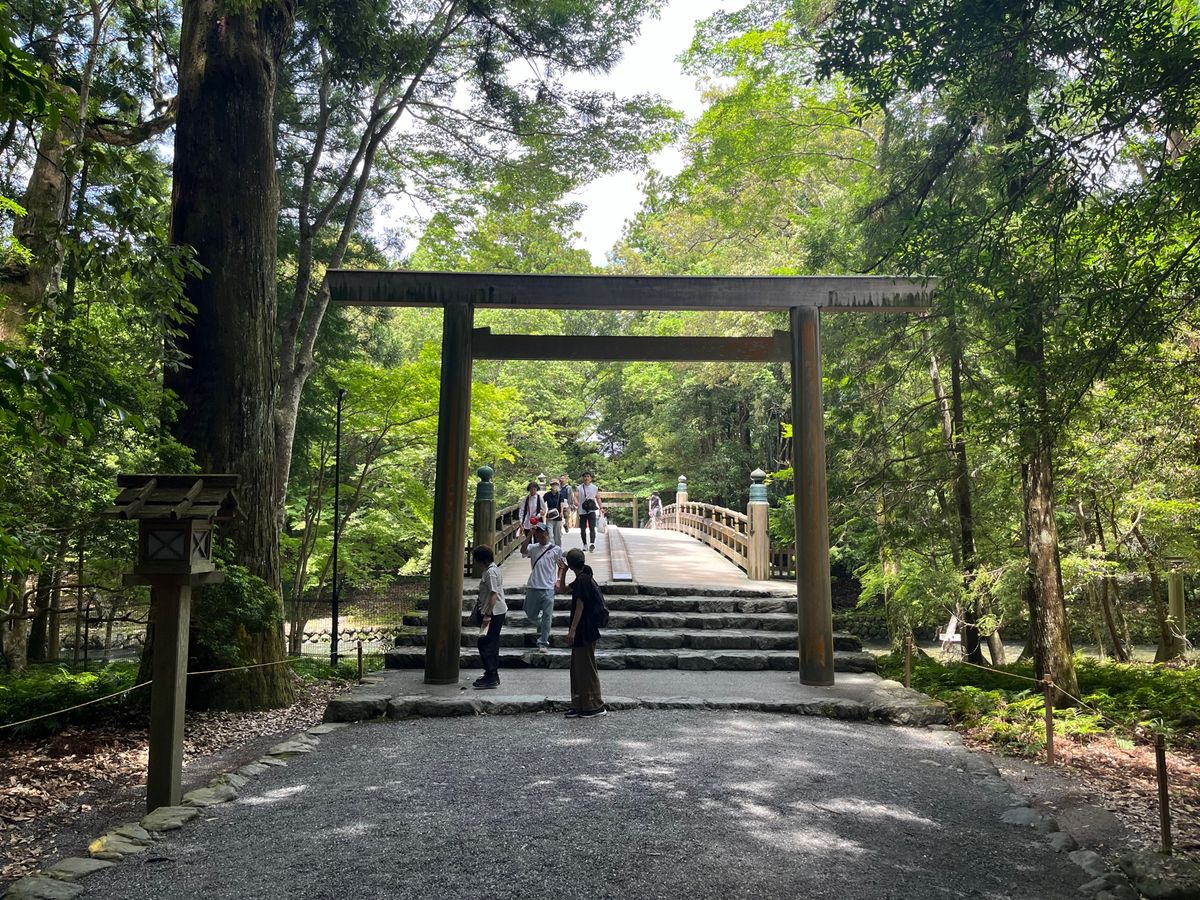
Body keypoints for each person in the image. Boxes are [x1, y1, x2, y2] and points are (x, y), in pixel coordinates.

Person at [557, 547, 607, 718]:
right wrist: (563, 572)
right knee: (578, 668)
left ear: (571, 565)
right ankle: (579, 704)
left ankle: (595, 705)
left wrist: (572, 631)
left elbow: (580, 606)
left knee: (587, 668)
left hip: (585, 629)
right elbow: (562, 590)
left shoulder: (583, 580)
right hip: (583, 629)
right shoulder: (582, 578)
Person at [471, 545, 506, 690]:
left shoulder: (490, 572)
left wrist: (487, 614)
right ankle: (491, 674)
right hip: (496, 611)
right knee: (490, 643)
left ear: (482, 560)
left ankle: (491, 675)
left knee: (485, 643)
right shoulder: (493, 570)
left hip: (493, 612)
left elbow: (493, 594)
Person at [524, 521, 563, 649]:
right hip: (533, 585)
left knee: (547, 616)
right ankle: (543, 624)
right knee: (529, 613)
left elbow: (561, 566)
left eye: (542, 533)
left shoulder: (556, 549)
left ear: (547, 534)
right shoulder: (533, 548)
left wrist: (558, 580)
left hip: (549, 587)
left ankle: (543, 641)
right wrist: (529, 535)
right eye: (538, 534)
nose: (540, 536)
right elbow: (523, 550)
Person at [576, 472, 602, 551]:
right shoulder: (579, 488)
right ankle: (584, 544)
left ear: (591, 478)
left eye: (588, 476)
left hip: (591, 509)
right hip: (582, 510)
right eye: (584, 476)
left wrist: (601, 507)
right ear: (582, 478)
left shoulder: (594, 487)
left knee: (592, 527)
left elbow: (598, 498)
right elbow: (575, 496)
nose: (586, 478)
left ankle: (592, 543)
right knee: (582, 528)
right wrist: (576, 503)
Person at [518, 480, 546, 555]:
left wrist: (538, 516)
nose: (533, 490)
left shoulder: (539, 498)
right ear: (529, 489)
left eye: (534, 489)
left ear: (537, 489)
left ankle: (537, 552)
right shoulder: (526, 499)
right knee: (528, 537)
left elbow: (543, 509)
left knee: (537, 537)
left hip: (537, 520)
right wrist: (521, 521)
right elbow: (522, 510)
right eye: (531, 489)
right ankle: (529, 552)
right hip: (527, 521)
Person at [542, 478, 569, 548]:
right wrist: (542, 511)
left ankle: (558, 548)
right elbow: (542, 503)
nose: (555, 485)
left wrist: (561, 512)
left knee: (557, 535)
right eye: (553, 484)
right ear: (551, 485)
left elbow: (561, 503)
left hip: (558, 516)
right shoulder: (547, 495)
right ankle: (552, 548)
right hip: (549, 516)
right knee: (550, 534)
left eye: (556, 484)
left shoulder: (560, 494)